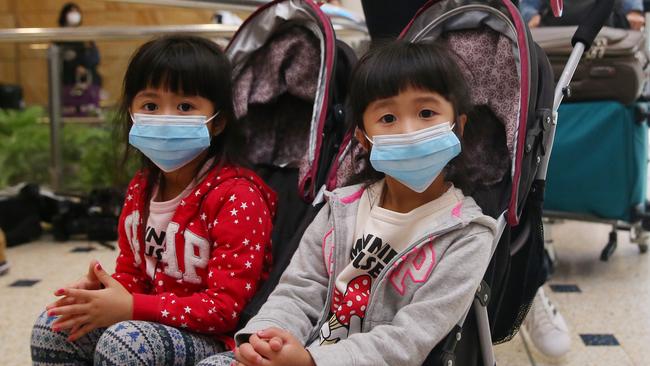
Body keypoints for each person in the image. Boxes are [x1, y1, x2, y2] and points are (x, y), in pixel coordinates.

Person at [199, 40, 498, 366]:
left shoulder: (467, 235)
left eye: (426, 113)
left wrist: (312, 361)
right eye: (387, 118)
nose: (408, 130)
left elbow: (409, 339)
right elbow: (299, 291)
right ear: (362, 138)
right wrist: (265, 339)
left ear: (459, 126)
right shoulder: (340, 207)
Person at [31, 35, 277, 366]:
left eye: (185, 107)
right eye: (150, 105)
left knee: (125, 343)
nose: (165, 117)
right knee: (53, 326)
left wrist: (131, 307)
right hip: (151, 321)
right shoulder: (141, 188)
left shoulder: (238, 197)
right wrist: (105, 292)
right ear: (131, 112)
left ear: (217, 122)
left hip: (217, 337)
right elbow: (134, 272)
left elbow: (225, 309)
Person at [57, 2, 102, 88]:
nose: (74, 14)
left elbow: (94, 58)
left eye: (76, 11)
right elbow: (62, 60)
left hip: (88, 82)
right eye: (71, 12)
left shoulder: (83, 36)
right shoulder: (59, 37)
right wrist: (76, 67)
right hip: (68, 82)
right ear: (64, 15)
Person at [521, 0, 645, 30]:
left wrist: (634, 11)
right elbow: (528, 6)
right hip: (556, 35)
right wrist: (531, 16)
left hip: (606, 33)